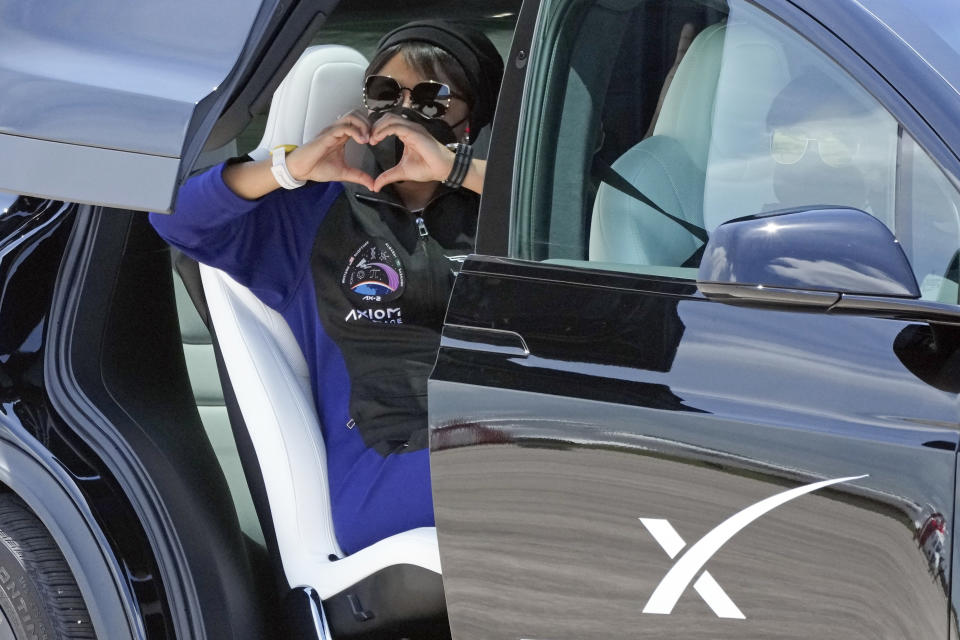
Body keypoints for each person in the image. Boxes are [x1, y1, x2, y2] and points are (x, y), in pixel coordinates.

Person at [150, 20, 504, 555]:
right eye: (386, 93)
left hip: (506, 439)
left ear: (470, 120)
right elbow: (175, 218)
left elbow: (580, 224)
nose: (403, 110)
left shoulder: (508, 217)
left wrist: (458, 172)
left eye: (432, 97)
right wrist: (290, 168)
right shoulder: (309, 218)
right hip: (387, 467)